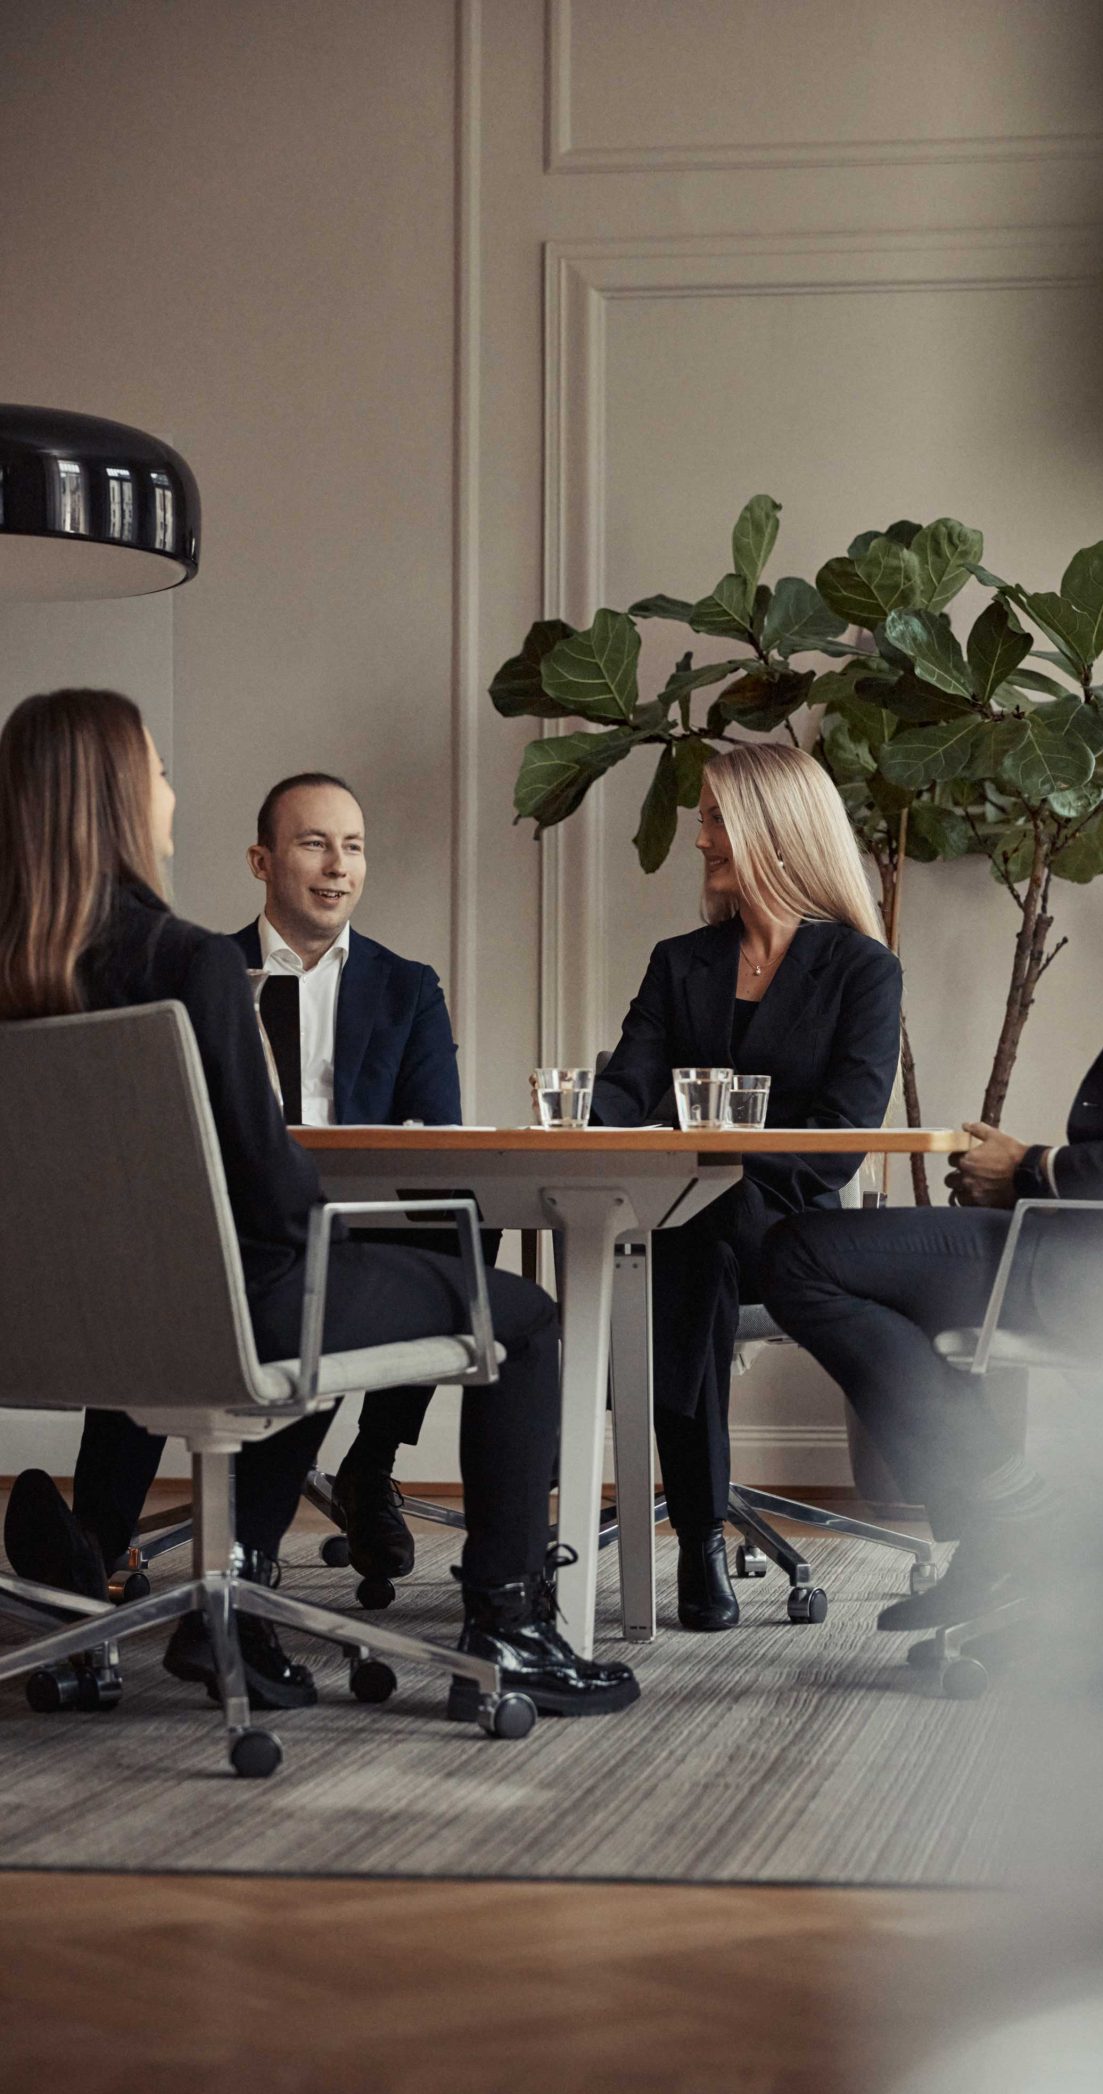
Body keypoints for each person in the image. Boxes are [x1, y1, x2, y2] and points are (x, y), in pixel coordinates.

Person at [0, 689, 637, 1720]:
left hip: (49, 1330)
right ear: (119, 799)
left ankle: (190, 1591)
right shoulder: (188, 961)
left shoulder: (21, 972)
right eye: (157, 774)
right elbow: (267, 1188)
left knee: (333, 1282)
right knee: (516, 1315)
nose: (170, 794)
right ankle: (509, 1630)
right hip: (228, 1313)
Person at [761, 660, 1103, 1660]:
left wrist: (1029, 1170)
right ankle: (1002, 1525)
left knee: (802, 1255)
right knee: (831, 1258)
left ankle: (1011, 1519)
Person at [66, 769, 473, 1588]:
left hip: (357, 1217)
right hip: (225, 1218)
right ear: (261, 860)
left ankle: (370, 1465)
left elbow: (439, 1135)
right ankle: (99, 1538)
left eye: (353, 847)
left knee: (463, 1218)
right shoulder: (198, 969)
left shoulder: (408, 987)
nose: (338, 866)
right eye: (314, 843)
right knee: (172, 1276)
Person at [592, 743, 902, 1631]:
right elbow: (627, 1086)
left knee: (696, 1223)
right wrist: (581, 1123)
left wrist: (714, 1154)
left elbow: (838, 1146)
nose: (701, 840)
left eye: (717, 819)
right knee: (689, 1230)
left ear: (775, 828)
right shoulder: (678, 961)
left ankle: (693, 1528)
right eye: (705, 819)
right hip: (692, 1230)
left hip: (797, 1239)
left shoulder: (862, 971)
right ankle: (698, 1531)